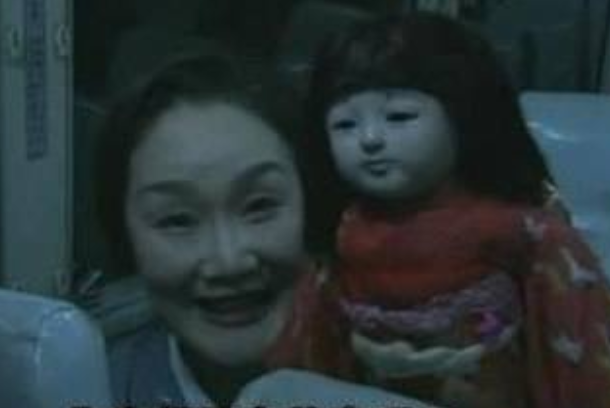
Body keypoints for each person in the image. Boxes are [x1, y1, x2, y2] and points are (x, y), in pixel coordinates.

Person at [276, 11, 610, 408]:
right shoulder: (341, 231)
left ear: (464, 117)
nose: (370, 139)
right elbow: (313, 352)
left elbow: (574, 341)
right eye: (345, 124)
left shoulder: (523, 229)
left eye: (399, 116)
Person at [94, 51, 438, 407]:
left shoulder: (435, 367)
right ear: (127, 239)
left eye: (260, 206)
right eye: (177, 220)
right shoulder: (90, 387)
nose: (229, 261)